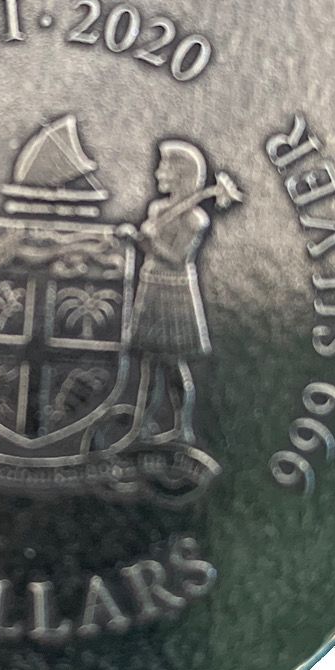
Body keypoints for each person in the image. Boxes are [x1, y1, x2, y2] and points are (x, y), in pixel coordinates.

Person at [129, 139, 212, 443]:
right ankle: (142, 424)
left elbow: (178, 258)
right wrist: (137, 238)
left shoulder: (195, 219)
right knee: (148, 363)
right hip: (151, 284)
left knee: (174, 362)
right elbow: (148, 248)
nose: (158, 172)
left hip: (174, 291)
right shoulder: (158, 208)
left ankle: (182, 426)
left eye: (164, 167)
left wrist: (150, 240)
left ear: (181, 174)